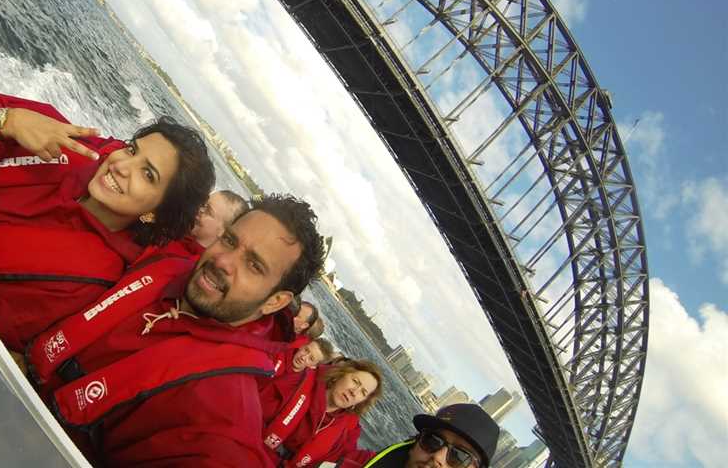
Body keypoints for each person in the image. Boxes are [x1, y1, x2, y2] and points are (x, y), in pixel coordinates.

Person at [0, 86, 215, 350]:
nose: (121, 165)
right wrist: (3, 122)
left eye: (148, 174)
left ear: (154, 212)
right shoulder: (56, 137)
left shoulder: (89, 279)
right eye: (132, 149)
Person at [24, 193, 326, 467]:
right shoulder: (164, 265)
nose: (223, 261)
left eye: (254, 265)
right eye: (231, 241)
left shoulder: (220, 418)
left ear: (275, 301)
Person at [260, 359, 383, 468]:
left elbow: (349, 459)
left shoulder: (347, 431)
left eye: (363, 392)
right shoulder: (298, 382)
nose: (354, 392)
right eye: (355, 381)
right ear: (342, 374)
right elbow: (254, 413)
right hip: (258, 452)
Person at [337, 403, 500, 468]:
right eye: (433, 440)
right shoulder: (345, 463)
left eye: (459, 456)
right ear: (415, 443)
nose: (438, 457)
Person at [138, 189, 248, 264]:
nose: (200, 210)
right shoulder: (174, 226)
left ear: (223, 232)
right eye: (203, 204)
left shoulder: (194, 269)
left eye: (208, 211)